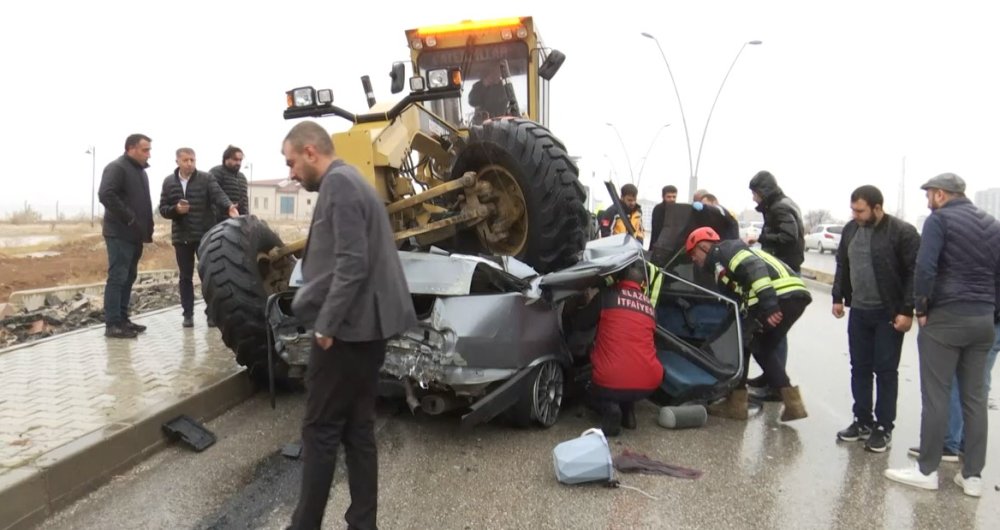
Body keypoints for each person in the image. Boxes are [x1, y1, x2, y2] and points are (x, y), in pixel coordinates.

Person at [284, 120, 417, 529]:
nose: (290, 173)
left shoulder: (339, 185)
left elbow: (353, 262)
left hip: (346, 331)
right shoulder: (356, 182)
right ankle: (363, 523)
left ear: (311, 152)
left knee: (320, 430)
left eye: (291, 162)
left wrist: (326, 323)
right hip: (367, 329)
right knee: (358, 429)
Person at [885, 173, 1000, 498]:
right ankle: (973, 477)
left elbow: (926, 266)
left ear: (940, 195)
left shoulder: (939, 221)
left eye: (929, 195)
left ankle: (927, 470)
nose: (927, 202)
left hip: (947, 317)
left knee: (936, 394)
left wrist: (920, 307)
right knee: (975, 399)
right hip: (983, 320)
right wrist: (992, 312)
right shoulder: (992, 224)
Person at [685, 226, 811, 422]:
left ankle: (738, 404)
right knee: (758, 347)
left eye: (693, 254)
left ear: (703, 247)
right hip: (792, 296)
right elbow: (736, 300)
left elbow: (755, 268)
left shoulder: (725, 251)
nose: (694, 260)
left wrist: (770, 306)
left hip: (780, 296)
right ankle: (789, 404)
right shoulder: (720, 267)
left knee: (749, 346)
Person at [831, 185, 920, 453]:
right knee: (859, 368)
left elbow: (914, 273)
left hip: (888, 313)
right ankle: (862, 421)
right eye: (853, 209)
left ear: (877, 208)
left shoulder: (902, 232)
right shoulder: (850, 229)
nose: (855, 214)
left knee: (885, 371)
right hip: (859, 311)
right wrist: (838, 296)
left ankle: (883, 427)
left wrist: (907, 310)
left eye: (860, 210)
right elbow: (842, 264)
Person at [579, 260, 663, 436]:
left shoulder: (607, 296)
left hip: (611, 379)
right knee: (629, 364)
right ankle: (629, 413)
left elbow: (582, 323)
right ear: (641, 284)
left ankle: (609, 409)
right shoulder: (649, 306)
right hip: (648, 382)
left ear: (618, 278)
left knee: (586, 385)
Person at [157, 148, 238, 328]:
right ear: (177, 161)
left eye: (192, 160)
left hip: (204, 235)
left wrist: (229, 207)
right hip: (182, 237)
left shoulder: (205, 178)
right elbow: (163, 208)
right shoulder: (169, 182)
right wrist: (175, 210)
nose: (190, 164)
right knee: (185, 277)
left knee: (209, 276)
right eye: (186, 160)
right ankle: (188, 315)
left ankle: (212, 314)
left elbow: (218, 195)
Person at [747, 170, 806, 398]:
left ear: (765, 191)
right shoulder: (781, 205)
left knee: (774, 330)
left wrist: (761, 239)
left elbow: (789, 237)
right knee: (774, 332)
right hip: (786, 272)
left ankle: (776, 386)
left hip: (784, 276)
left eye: (755, 193)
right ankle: (770, 375)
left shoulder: (780, 207)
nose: (754, 198)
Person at [98, 134, 155, 339]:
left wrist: (146, 228)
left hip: (135, 235)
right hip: (119, 233)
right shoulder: (117, 168)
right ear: (131, 148)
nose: (149, 154)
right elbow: (106, 194)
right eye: (145, 150)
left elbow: (143, 203)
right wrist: (130, 218)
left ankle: (123, 319)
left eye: (149, 149)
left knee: (129, 277)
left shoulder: (140, 172)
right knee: (118, 277)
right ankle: (112, 324)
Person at [209, 145, 249, 224]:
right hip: (219, 222)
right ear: (226, 159)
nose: (238, 163)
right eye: (235, 159)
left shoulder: (242, 177)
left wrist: (246, 219)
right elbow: (214, 194)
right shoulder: (216, 173)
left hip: (238, 221)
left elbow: (244, 202)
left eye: (240, 160)